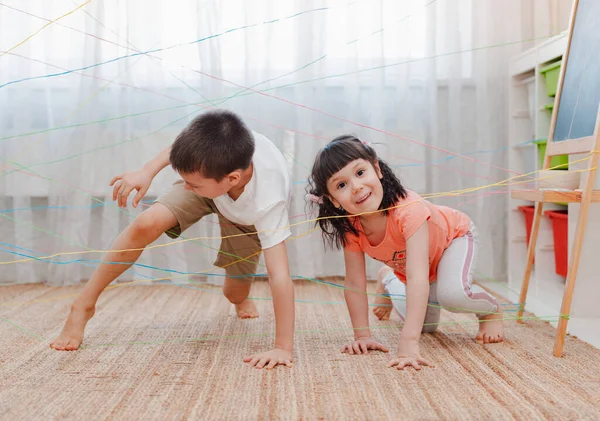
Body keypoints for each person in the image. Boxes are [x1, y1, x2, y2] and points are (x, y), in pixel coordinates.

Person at [50, 110, 295, 370]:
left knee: (234, 294)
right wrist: (146, 172)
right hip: (210, 185)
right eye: (185, 179)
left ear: (233, 178)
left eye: (191, 183)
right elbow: (180, 151)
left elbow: (279, 276)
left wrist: (282, 348)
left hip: (245, 218)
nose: (184, 186)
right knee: (146, 222)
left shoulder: (268, 201)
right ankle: (83, 305)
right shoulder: (211, 158)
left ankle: (240, 297)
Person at [307, 135, 503, 371]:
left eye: (360, 173)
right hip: (416, 266)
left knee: (452, 295)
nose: (356, 187)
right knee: (425, 327)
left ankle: (491, 311)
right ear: (333, 200)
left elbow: (417, 276)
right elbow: (354, 282)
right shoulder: (351, 226)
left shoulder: (409, 209)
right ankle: (388, 278)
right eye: (342, 185)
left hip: (454, 239)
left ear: (376, 168)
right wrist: (362, 336)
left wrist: (408, 344)